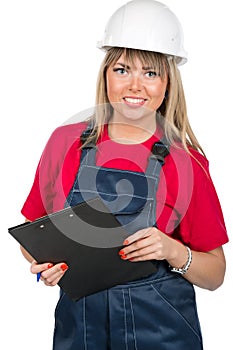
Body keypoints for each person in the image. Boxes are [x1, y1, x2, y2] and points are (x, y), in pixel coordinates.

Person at [20, 0, 228, 349]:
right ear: (106, 74)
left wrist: (173, 251)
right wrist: (46, 264)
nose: (135, 86)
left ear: (167, 83)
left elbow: (215, 274)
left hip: (162, 335)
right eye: (122, 69)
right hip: (80, 334)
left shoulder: (185, 160)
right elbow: (34, 235)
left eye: (150, 73)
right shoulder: (65, 143)